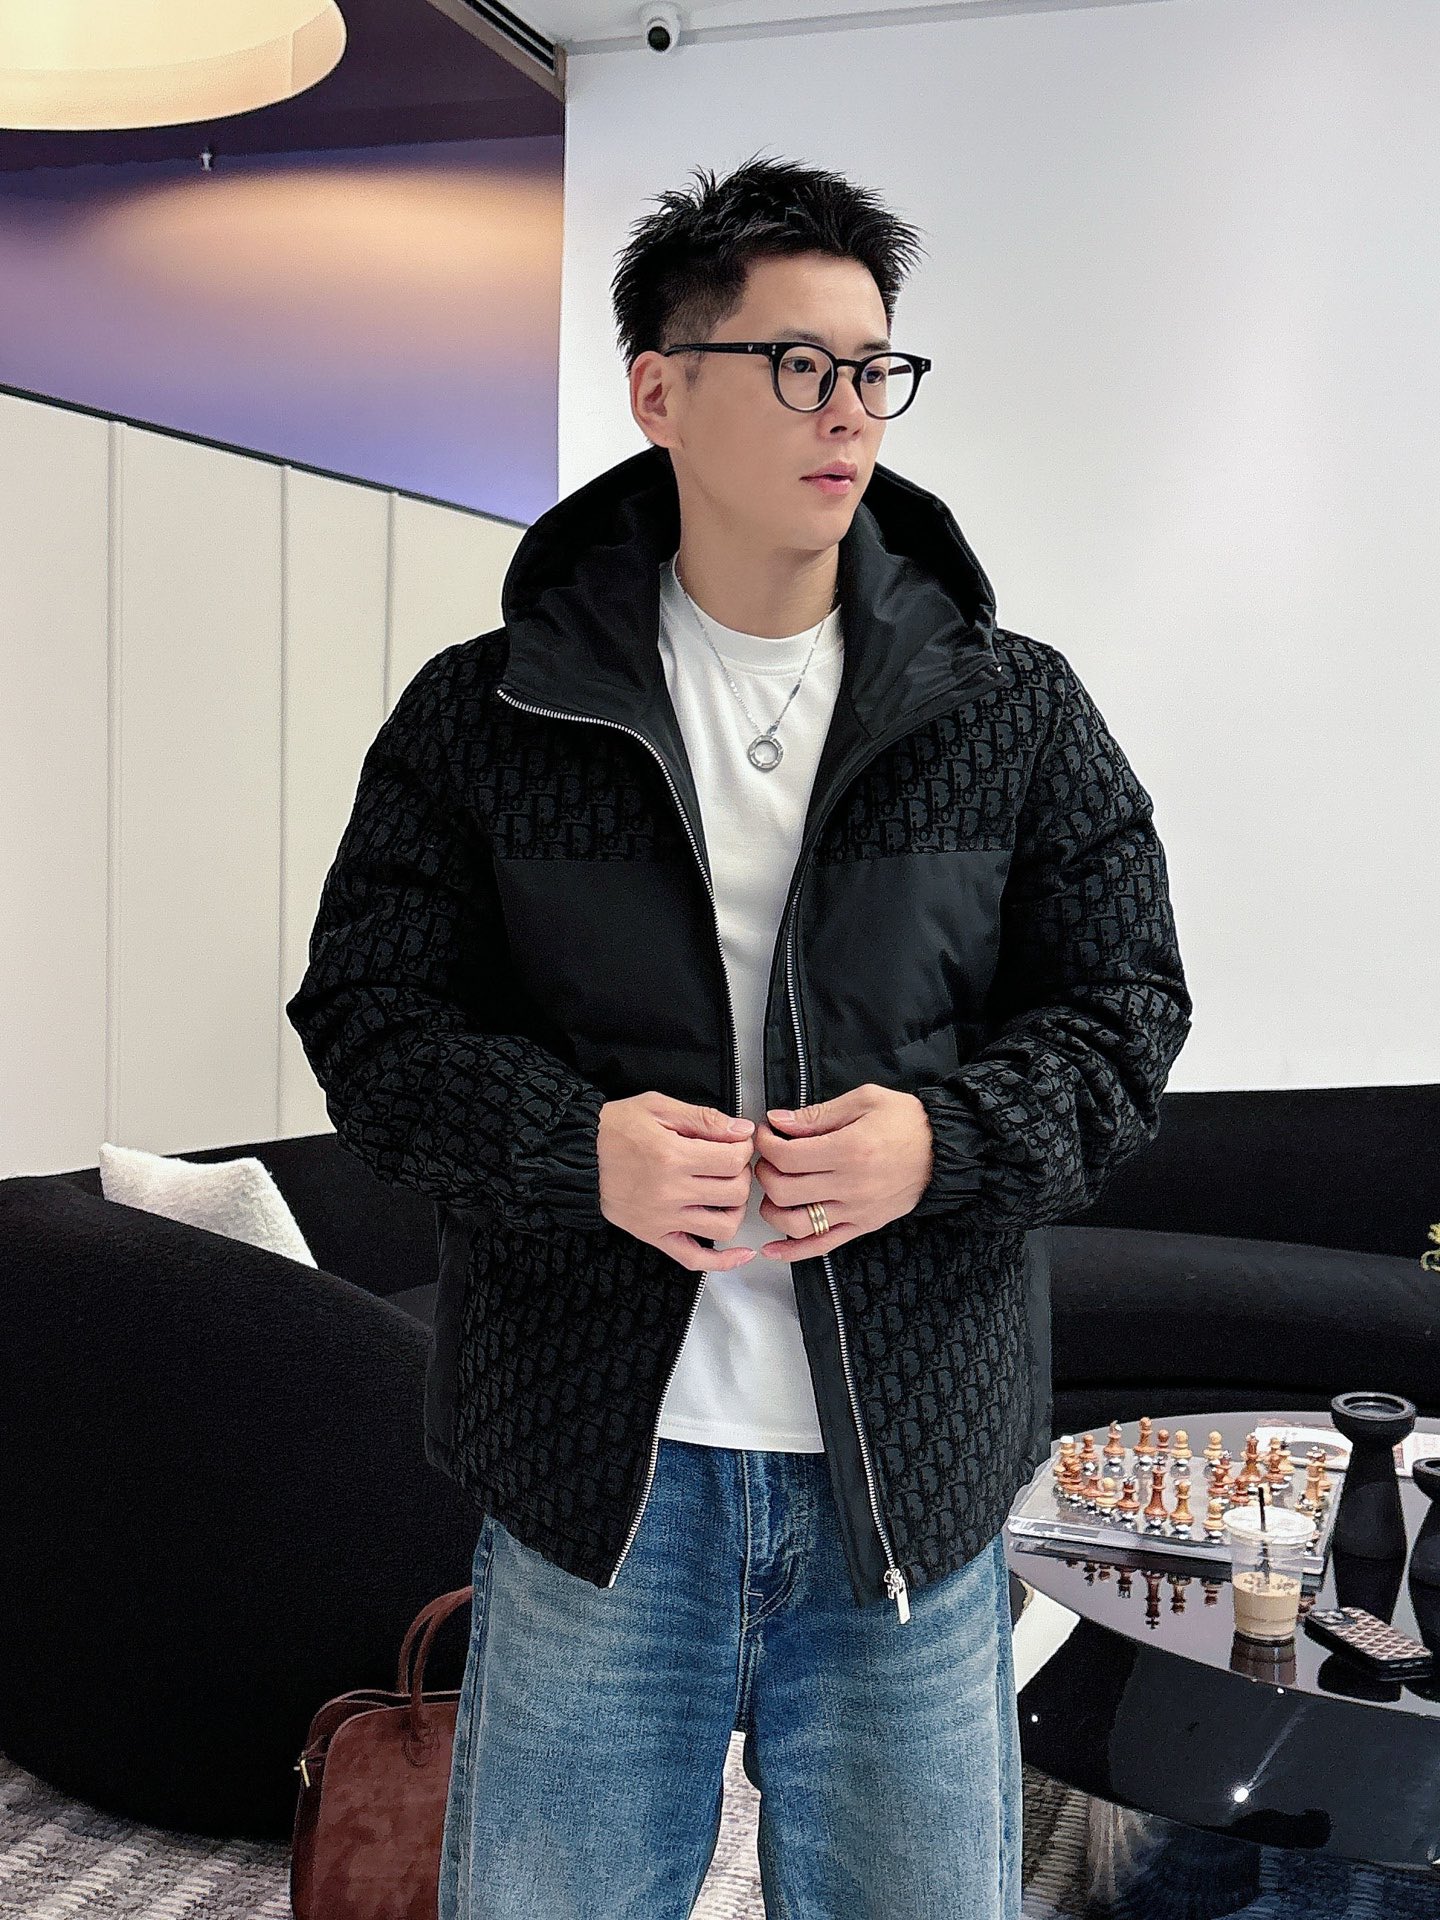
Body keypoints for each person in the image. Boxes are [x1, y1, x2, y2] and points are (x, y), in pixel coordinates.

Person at [285, 151, 1192, 1920]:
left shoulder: (1013, 711)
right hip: (597, 1485)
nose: (851, 410)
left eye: (875, 367)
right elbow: (370, 1020)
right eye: (798, 363)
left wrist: (939, 1143)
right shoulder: (489, 711)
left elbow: (1127, 1015)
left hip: (907, 1486)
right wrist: (578, 1153)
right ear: (660, 390)